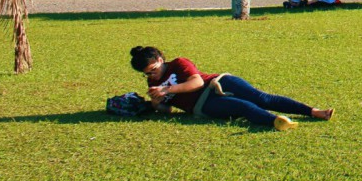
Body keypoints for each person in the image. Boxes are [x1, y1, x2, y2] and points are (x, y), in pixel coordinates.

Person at [129, 46, 333, 130]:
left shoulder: (178, 63)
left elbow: (197, 82)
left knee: (261, 98)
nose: (151, 76)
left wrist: (167, 90)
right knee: (242, 106)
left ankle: (313, 111)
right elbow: (168, 110)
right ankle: (277, 122)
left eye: (153, 70)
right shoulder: (153, 84)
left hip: (217, 82)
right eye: (147, 74)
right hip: (203, 105)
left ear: (160, 59)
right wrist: (157, 103)